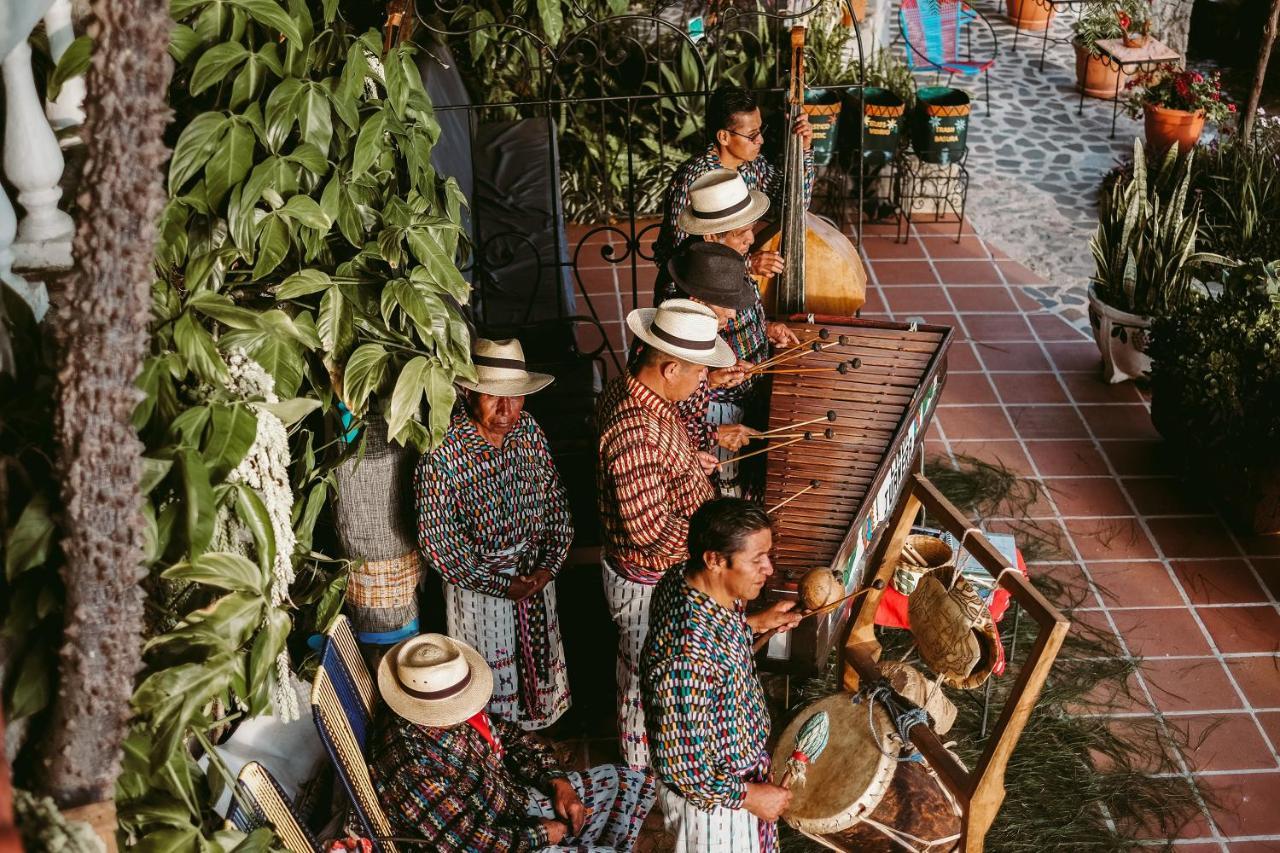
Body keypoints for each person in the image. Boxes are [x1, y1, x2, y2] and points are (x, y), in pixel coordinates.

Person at [596, 299, 736, 768]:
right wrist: (717, 542)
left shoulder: (645, 397)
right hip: (647, 583)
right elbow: (649, 531)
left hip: (658, 571)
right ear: (670, 367)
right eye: (699, 372)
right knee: (646, 681)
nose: (703, 381)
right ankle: (644, 773)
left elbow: (649, 478)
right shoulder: (633, 427)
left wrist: (687, 468)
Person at [369, 632, 656, 851]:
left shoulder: (445, 707)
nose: (466, 708)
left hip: (513, 801)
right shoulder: (409, 765)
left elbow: (510, 736)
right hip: (499, 837)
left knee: (622, 781)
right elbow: (468, 842)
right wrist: (543, 834)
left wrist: (557, 782)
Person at [414, 338, 572, 730]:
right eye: (494, 398)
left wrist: (548, 567)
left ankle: (536, 749)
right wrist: (502, 585)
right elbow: (440, 546)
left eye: (516, 398)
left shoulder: (527, 431)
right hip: (479, 592)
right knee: (489, 679)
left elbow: (555, 502)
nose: (507, 410)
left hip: (535, 579)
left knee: (539, 671)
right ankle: (498, 758)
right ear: (468, 392)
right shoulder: (443, 452)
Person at [640, 498, 802, 852]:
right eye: (756, 559)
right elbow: (683, 766)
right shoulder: (685, 657)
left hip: (732, 784)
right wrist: (749, 796)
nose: (769, 569)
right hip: (712, 805)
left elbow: (715, 640)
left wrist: (758, 623)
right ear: (714, 559)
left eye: (768, 555)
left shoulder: (686, 580)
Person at [656, 172, 804, 497]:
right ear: (711, 238)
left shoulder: (731, 262)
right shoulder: (684, 287)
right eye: (742, 232)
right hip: (712, 412)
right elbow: (672, 375)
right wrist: (712, 378)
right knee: (723, 494)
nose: (752, 239)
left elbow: (739, 317)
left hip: (741, 390)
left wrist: (765, 330)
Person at [652, 86, 815, 284]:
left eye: (760, 130)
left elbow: (795, 206)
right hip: (694, 295)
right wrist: (747, 265)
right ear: (724, 137)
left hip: (736, 284)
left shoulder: (752, 165)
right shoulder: (694, 181)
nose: (760, 140)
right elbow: (683, 258)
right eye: (752, 135)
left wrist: (804, 149)